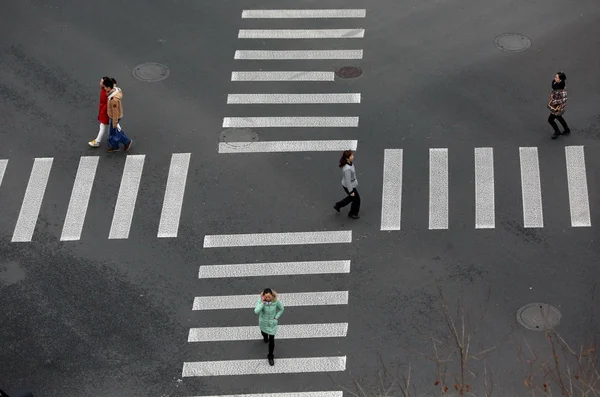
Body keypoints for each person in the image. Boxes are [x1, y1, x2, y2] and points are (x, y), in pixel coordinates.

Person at [254, 288, 284, 366]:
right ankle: (264, 336)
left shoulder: (276, 301)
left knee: (271, 340)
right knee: (264, 334)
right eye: (266, 297)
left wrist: (276, 317)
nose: (268, 299)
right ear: (263, 296)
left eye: (269, 297)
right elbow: (256, 311)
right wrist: (262, 303)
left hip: (272, 324)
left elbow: (281, 309)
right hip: (263, 323)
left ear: (272, 296)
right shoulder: (261, 301)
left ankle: (270, 356)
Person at [103, 78, 133, 152]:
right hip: (114, 116)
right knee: (113, 132)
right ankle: (115, 146)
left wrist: (115, 123)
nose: (104, 88)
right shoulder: (115, 90)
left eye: (105, 87)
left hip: (114, 117)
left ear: (109, 87)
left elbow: (115, 112)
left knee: (113, 133)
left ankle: (126, 141)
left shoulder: (114, 100)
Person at [88, 77, 119, 148]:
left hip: (106, 111)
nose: (100, 83)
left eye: (101, 82)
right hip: (106, 110)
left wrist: (102, 111)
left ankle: (97, 141)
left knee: (103, 125)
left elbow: (107, 103)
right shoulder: (107, 90)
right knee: (115, 124)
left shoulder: (106, 92)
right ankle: (125, 139)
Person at [334, 150, 360, 219]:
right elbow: (348, 181)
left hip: (349, 184)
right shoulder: (347, 169)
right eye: (351, 156)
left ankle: (338, 205)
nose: (353, 156)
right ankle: (352, 213)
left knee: (351, 198)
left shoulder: (349, 163)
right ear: (347, 158)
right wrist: (351, 191)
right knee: (357, 200)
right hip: (349, 185)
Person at [547, 72, 570, 139]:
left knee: (550, 120)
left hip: (558, 107)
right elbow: (553, 90)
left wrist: (554, 101)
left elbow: (563, 100)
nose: (555, 78)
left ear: (560, 80)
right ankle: (567, 129)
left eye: (557, 77)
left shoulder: (562, 91)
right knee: (559, 117)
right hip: (556, 105)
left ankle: (557, 132)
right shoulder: (555, 83)